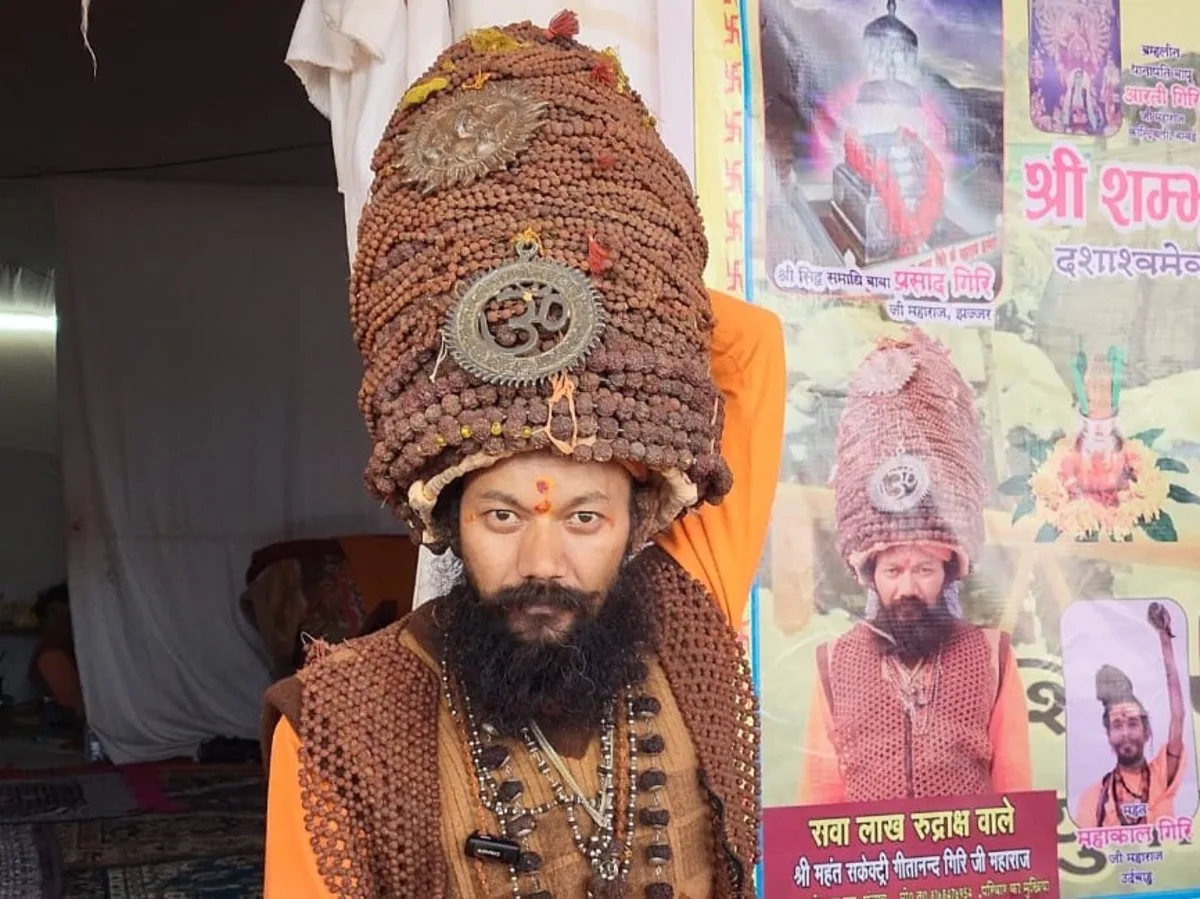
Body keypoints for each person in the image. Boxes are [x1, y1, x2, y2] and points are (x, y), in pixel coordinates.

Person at [261, 12, 785, 898]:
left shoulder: (690, 610)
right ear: (448, 517)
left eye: (585, 517)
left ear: (637, 520)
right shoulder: (344, 729)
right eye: (503, 515)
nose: (544, 561)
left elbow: (751, 347)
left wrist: (599, 279)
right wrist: (489, 283)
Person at [797, 329, 1032, 804]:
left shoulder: (994, 657)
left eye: (924, 569)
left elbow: (1016, 792)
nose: (907, 587)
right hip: (865, 854)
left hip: (968, 852)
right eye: (893, 571)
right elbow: (818, 799)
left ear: (948, 573)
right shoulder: (834, 663)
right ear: (871, 576)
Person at [1073, 602, 1186, 827]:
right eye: (1117, 724)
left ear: (1147, 731)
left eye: (1133, 723)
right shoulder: (1092, 798)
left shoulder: (1162, 774)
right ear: (1108, 734)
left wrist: (1164, 639)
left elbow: (1178, 716)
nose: (1125, 733)